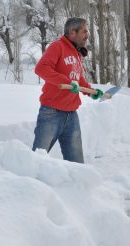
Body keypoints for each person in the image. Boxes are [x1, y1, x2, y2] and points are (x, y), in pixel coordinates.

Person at [32, 17, 104, 163]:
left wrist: (91, 92)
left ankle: (76, 186)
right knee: (36, 160)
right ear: (72, 32)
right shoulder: (57, 47)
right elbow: (41, 69)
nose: (87, 35)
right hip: (51, 113)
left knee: (77, 164)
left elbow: (78, 80)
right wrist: (68, 82)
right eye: (84, 31)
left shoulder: (77, 54)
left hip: (71, 116)